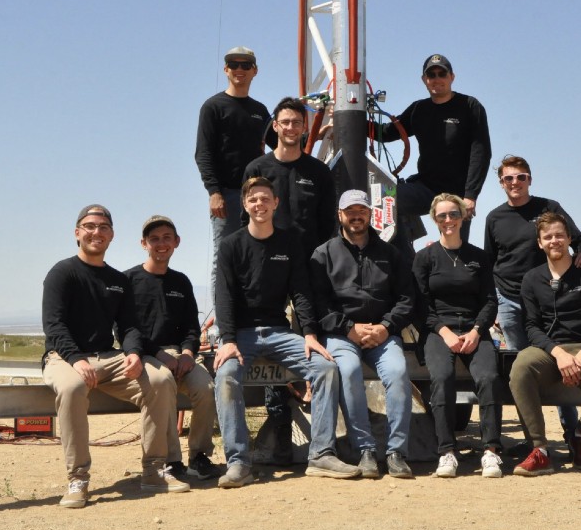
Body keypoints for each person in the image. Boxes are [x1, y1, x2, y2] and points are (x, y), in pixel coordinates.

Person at [212, 177, 361, 487]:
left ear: (275, 203)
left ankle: (321, 454)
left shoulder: (289, 243)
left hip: (280, 331)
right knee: (226, 376)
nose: (259, 204)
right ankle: (239, 463)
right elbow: (223, 296)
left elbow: (301, 292)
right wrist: (227, 340)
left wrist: (308, 333)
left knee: (325, 367)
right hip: (241, 334)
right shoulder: (231, 245)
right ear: (245, 204)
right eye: (253, 199)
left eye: (265, 198)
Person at [41, 205, 190, 508]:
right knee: (72, 388)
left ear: (112, 235)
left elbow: (130, 326)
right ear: (77, 233)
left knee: (160, 378)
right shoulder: (62, 272)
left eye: (103, 227)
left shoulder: (118, 281)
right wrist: (75, 359)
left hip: (109, 357)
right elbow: (53, 324)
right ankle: (78, 478)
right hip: (63, 357)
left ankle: (154, 471)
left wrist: (134, 353)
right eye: (90, 226)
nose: (97, 232)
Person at [242, 96, 338, 463]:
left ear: (303, 126)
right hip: (266, 270)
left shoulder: (318, 172)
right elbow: (245, 221)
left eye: (297, 122)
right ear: (276, 126)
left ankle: (324, 437)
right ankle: (279, 428)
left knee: (311, 345)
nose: (291, 128)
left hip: (309, 270)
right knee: (269, 346)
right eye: (285, 122)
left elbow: (330, 224)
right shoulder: (257, 168)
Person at [482, 154, 581, 456]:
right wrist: (491, 304)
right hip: (509, 299)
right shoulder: (494, 218)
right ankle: (535, 441)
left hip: (547, 300)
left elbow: (579, 240)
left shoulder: (548, 208)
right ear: (501, 183)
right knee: (523, 369)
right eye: (508, 178)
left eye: (520, 177)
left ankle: (572, 433)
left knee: (558, 364)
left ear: (530, 179)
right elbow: (488, 263)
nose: (515, 183)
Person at [310, 189, 417, 479]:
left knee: (397, 373)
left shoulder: (390, 254)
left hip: (382, 333)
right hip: (342, 334)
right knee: (349, 370)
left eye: (362, 210)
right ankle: (365, 449)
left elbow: (406, 299)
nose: (356, 216)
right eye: (350, 211)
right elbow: (318, 302)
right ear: (340, 215)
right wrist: (348, 328)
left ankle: (396, 452)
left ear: (371, 214)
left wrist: (386, 327)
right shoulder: (323, 254)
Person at [510, 211, 581, 476]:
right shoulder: (532, 279)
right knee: (519, 370)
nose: (554, 241)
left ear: (569, 238)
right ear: (539, 243)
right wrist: (558, 354)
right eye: (548, 237)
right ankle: (540, 450)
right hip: (549, 351)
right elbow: (532, 327)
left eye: (559, 235)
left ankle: (579, 436)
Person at [412, 194, 504, 478]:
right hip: (439, 331)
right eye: (442, 216)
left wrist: (477, 331)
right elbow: (419, 304)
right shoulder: (424, 258)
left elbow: (490, 300)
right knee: (441, 378)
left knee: (488, 378)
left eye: (454, 214)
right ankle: (447, 452)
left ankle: (491, 451)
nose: (448, 220)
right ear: (434, 220)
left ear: (463, 217)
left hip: (475, 330)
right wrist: (444, 332)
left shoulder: (479, 257)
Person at [123, 215, 218, 481]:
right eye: (154, 239)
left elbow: (191, 327)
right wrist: (159, 354)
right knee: (162, 382)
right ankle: (170, 461)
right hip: (145, 355)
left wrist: (188, 353)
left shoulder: (181, 282)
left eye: (167, 238)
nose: (161, 244)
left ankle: (199, 456)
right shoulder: (128, 280)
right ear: (144, 244)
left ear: (176, 242)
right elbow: (126, 329)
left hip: (180, 355)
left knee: (207, 388)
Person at [376, 54, 491, 260]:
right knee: (387, 199)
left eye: (442, 74)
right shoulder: (419, 109)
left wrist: (470, 196)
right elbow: (387, 133)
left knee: (456, 254)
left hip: (458, 196)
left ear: (452, 77)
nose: (437, 79)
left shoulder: (470, 106)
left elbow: (481, 153)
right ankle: (409, 263)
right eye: (431, 75)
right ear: (424, 80)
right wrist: (353, 118)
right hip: (426, 189)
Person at [195, 46, 271, 311]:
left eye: (245, 65)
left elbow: (280, 142)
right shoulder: (213, 107)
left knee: (256, 256)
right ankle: (221, 325)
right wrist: (213, 191)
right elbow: (203, 153)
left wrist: (321, 131)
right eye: (234, 64)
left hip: (256, 199)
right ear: (226, 69)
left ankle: (252, 317)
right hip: (226, 195)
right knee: (225, 257)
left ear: (255, 71)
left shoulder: (260, 111)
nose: (239, 69)